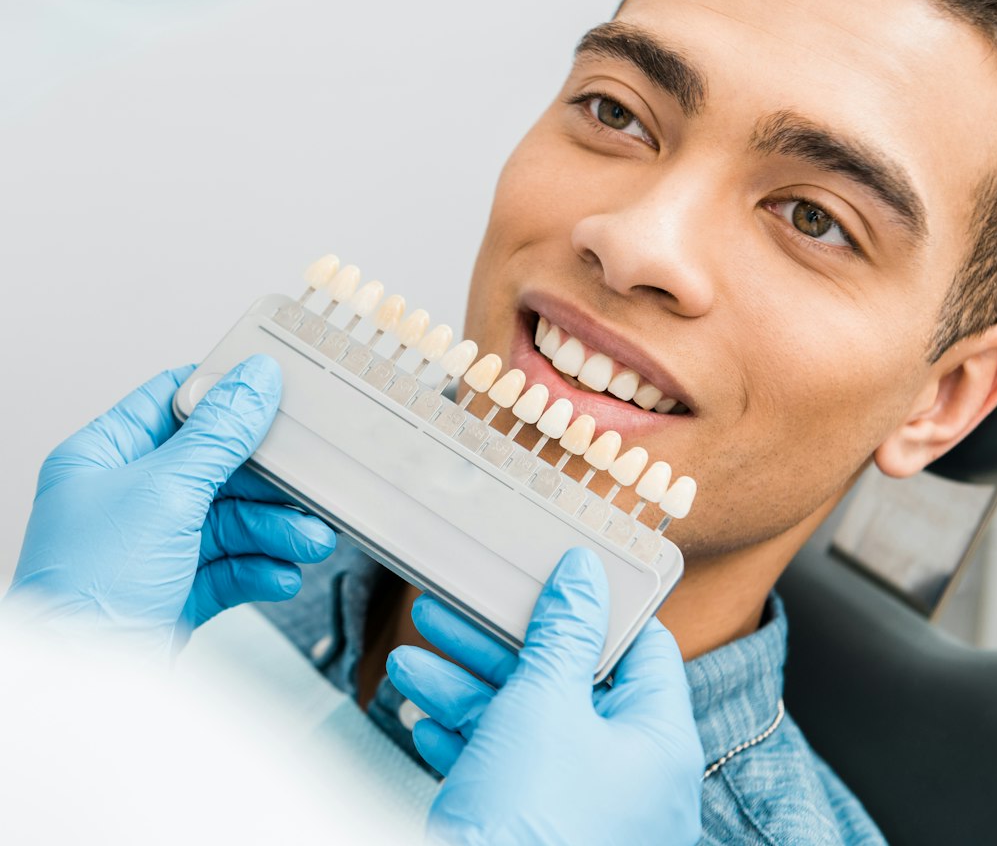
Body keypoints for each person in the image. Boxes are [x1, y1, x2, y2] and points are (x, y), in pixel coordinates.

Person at [261, 0, 997, 843]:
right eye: (616, 112)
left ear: (941, 401)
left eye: (813, 218)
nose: (635, 241)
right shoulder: (194, 543)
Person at [4, 355, 704, 845]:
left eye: (768, 212)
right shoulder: (231, 563)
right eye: (619, 132)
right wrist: (64, 677)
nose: (633, 247)